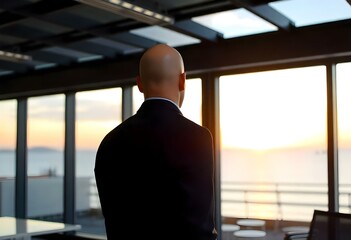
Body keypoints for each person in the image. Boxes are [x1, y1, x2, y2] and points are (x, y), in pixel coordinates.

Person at [94, 43, 217, 240]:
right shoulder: (197, 137)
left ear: (139, 83)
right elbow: (200, 226)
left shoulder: (109, 142)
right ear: (182, 80)